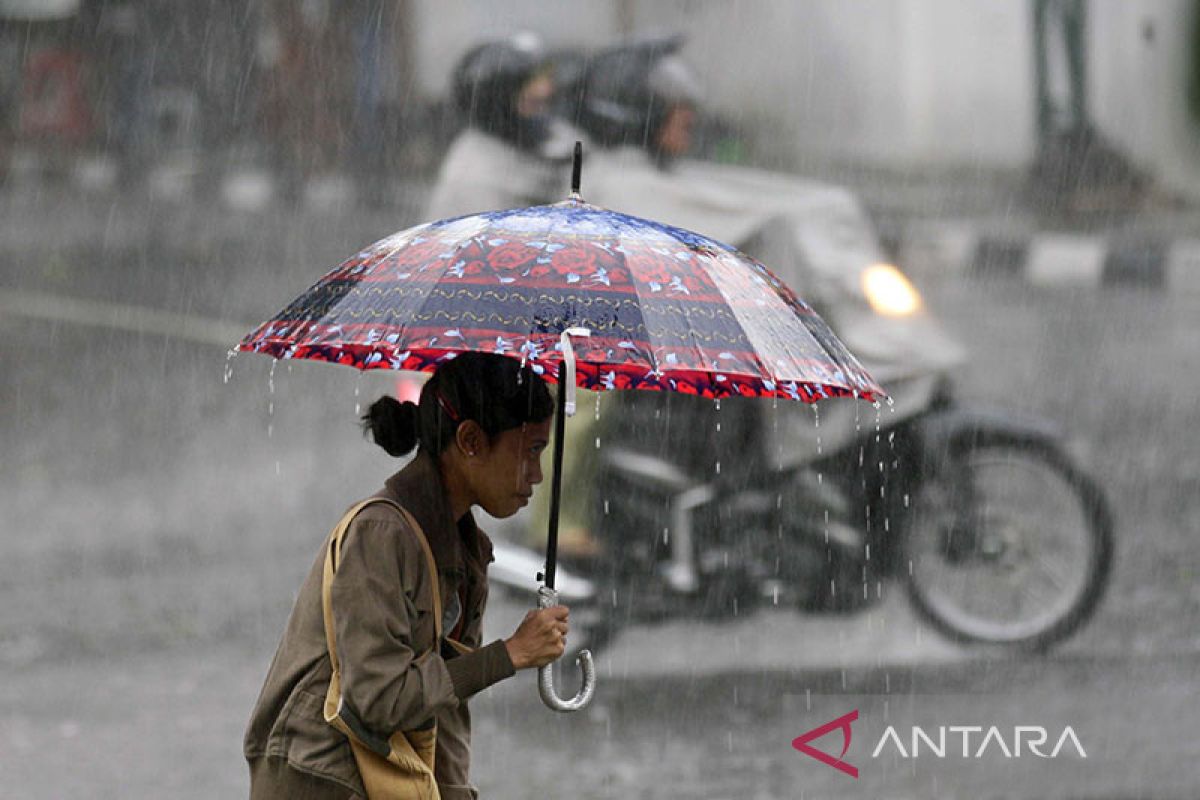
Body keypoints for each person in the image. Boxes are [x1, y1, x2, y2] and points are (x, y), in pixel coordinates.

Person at [244, 352, 570, 799]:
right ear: (471, 440)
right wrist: (508, 654)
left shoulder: (466, 549)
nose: (536, 475)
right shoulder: (381, 535)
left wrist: (455, 792)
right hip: (320, 779)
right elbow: (378, 700)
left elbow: (445, 707)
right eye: (530, 450)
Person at [425, 32, 577, 219]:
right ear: (496, 102)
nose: (546, 91)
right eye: (529, 96)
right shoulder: (477, 178)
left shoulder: (559, 143)